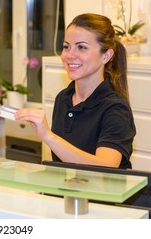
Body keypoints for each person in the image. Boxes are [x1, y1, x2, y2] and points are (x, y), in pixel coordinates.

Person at [15, 13, 135, 169]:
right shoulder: (63, 99)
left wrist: (48, 137)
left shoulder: (116, 108)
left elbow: (107, 168)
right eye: (66, 46)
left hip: (100, 194)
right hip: (67, 193)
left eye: (82, 47)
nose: (70, 55)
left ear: (106, 56)